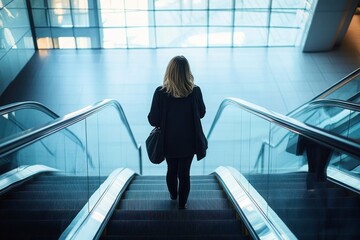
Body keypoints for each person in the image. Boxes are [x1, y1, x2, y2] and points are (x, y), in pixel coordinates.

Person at [148, 55, 207, 209]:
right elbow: (201, 113)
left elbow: (153, 120)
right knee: (185, 173)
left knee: (171, 169)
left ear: (169, 72)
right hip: (189, 142)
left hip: (168, 142)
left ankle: (173, 195)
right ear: (187, 72)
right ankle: (182, 205)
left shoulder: (160, 93)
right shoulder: (195, 91)